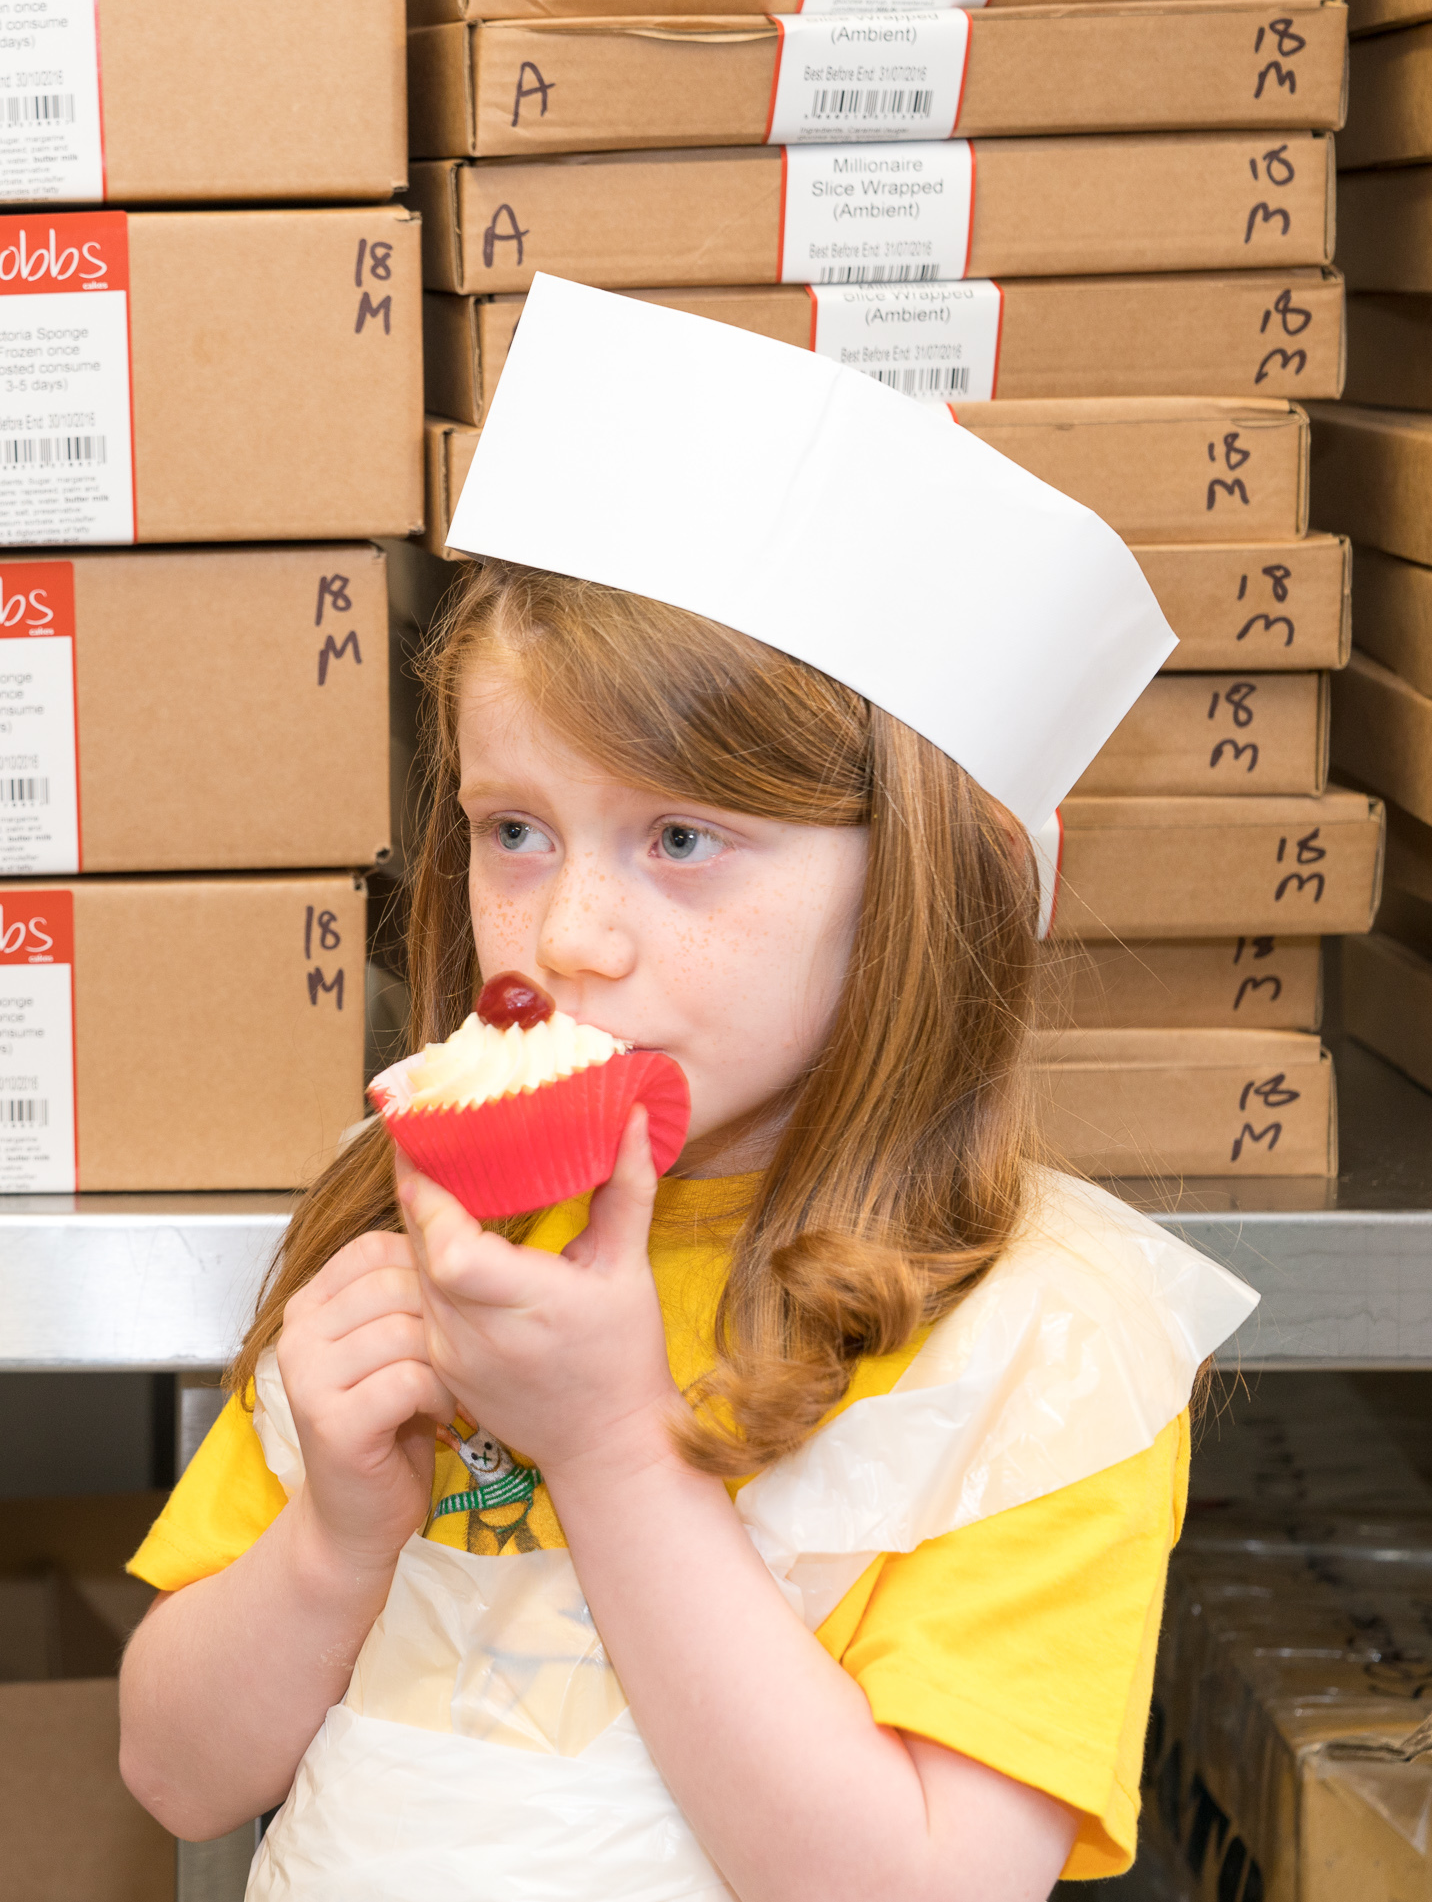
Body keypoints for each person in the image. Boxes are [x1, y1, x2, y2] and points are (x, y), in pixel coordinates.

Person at [116, 277, 1255, 1900]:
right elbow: (174, 1769)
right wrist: (334, 1540)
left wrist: (607, 1445)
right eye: (517, 829)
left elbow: (913, 1884)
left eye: (681, 840)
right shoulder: (433, 1212)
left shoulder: (1044, 1336)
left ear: (921, 881)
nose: (571, 933)